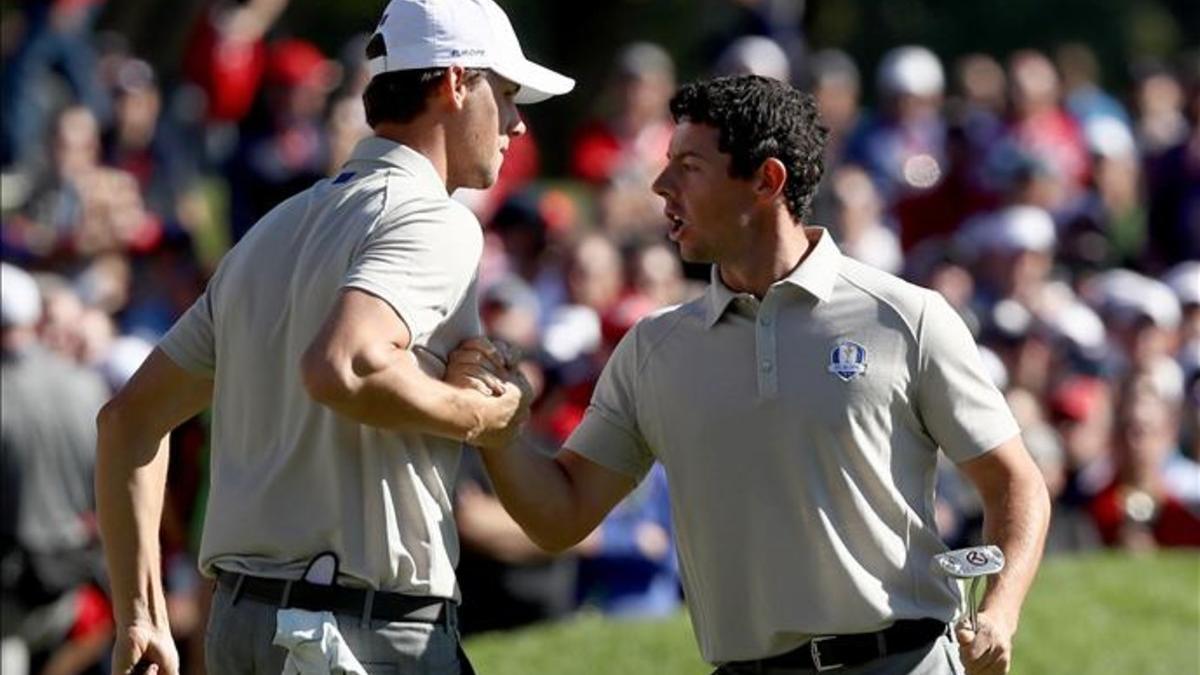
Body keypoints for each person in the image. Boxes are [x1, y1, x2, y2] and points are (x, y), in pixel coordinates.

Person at [453, 76, 1050, 675]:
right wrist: (497, 428)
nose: (661, 186)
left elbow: (1015, 484)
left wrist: (999, 612)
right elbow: (562, 516)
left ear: (767, 181)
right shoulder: (653, 348)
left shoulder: (907, 318)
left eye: (688, 166)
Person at [94, 0, 573, 673]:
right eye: (507, 92)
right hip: (361, 634)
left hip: (245, 629)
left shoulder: (269, 232)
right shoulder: (436, 219)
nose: (519, 122)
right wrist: (486, 414)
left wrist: (139, 614)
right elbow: (346, 365)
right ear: (456, 83)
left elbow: (128, 420)